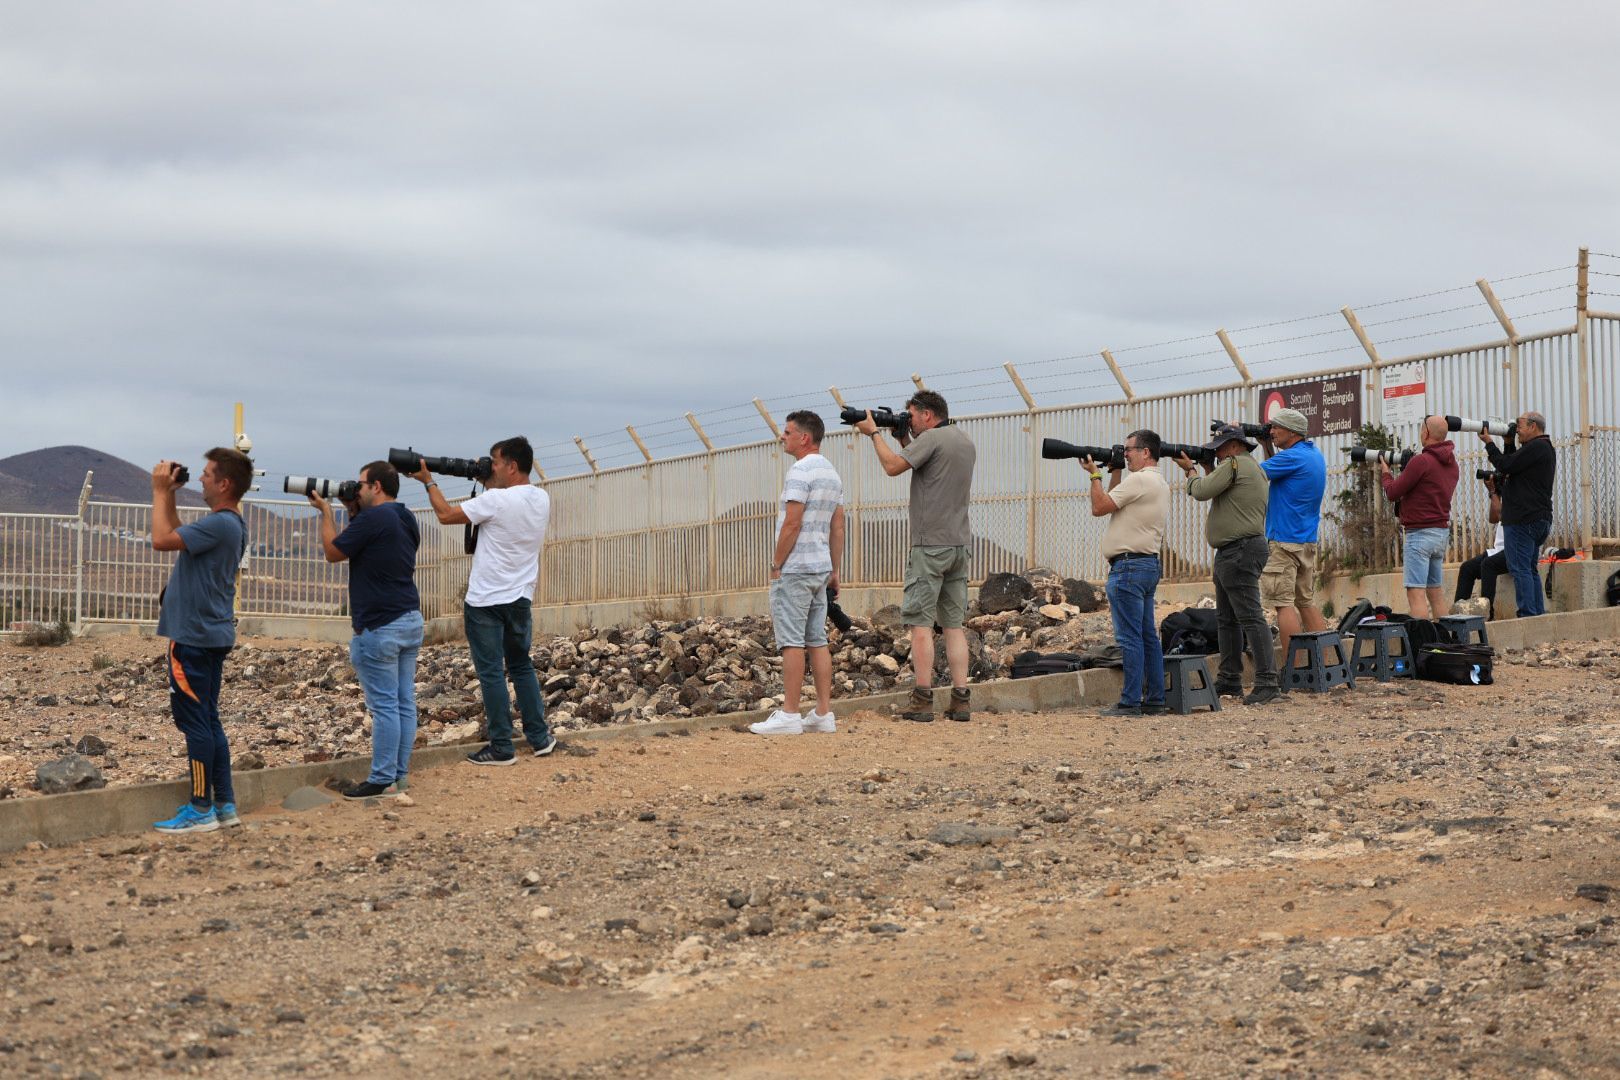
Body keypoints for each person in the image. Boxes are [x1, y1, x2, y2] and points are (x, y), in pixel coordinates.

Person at [415, 436, 554, 764]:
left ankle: (502, 747)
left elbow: (446, 515)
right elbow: (506, 499)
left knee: (491, 672)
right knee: (521, 666)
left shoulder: (496, 502)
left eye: (495, 462)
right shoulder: (541, 498)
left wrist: (428, 481)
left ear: (512, 466)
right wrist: (488, 480)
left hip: (485, 601)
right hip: (520, 598)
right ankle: (539, 737)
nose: (489, 466)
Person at [854, 390, 976, 723]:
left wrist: (875, 434)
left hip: (929, 546)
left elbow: (894, 466)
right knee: (953, 626)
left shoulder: (932, 439)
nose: (908, 420)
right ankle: (961, 700)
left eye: (911, 415)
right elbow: (930, 469)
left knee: (920, 624)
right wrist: (905, 437)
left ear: (926, 414)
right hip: (959, 544)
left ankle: (923, 701)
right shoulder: (963, 441)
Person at [149, 448, 253, 834]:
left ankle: (200, 808)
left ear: (225, 484)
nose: (202, 479)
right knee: (209, 720)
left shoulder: (221, 524)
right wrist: (171, 495)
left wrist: (158, 491)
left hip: (192, 638)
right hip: (209, 635)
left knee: (196, 724)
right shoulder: (227, 524)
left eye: (209, 475)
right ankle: (225, 805)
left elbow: (161, 539)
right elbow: (176, 533)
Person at [310, 461, 424, 798]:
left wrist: (326, 512)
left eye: (360, 485)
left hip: (380, 625)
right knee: (404, 703)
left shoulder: (375, 517)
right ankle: (399, 776)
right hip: (409, 618)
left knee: (385, 706)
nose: (355, 489)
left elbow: (334, 552)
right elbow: (368, 545)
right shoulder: (405, 517)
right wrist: (352, 510)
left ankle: (382, 779)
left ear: (376, 486)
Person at [750, 411, 846, 735]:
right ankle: (822, 713)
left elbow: (792, 522)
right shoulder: (832, 474)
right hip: (820, 568)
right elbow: (838, 524)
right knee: (817, 640)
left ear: (804, 437)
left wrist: (776, 564)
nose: (782, 436)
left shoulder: (799, 471)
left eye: (787, 431)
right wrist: (835, 569)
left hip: (796, 568)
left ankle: (790, 714)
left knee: (791, 640)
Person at [1175, 424, 1279, 706]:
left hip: (1239, 550)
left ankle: (1268, 682)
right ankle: (1230, 679)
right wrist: (1210, 469)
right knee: (1228, 619)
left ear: (1234, 445)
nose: (1217, 453)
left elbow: (1201, 492)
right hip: (1238, 549)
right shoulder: (1251, 467)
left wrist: (1191, 471)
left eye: (1219, 448)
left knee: (1250, 617)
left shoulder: (1233, 464)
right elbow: (1222, 492)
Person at [1087, 429, 1170, 717]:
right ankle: (1155, 698)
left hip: (1128, 568)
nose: (1125, 455)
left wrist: (1093, 475)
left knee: (1130, 638)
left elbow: (1099, 506)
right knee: (1148, 636)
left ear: (1145, 452)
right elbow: (1114, 501)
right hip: (1146, 565)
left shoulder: (1140, 480)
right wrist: (1113, 473)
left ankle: (1130, 701)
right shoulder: (1157, 481)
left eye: (1129, 450)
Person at [1256, 408, 1329, 673]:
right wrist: (1267, 445)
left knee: (1283, 605)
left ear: (1292, 432)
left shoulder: (1291, 458)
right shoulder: (1312, 455)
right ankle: (1327, 663)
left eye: (1276, 428)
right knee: (1305, 602)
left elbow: (1254, 475)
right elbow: (1278, 470)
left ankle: (1291, 669)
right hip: (1305, 540)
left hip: (1283, 542)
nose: (1271, 432)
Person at [1378, 414, 1459, 620]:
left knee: (1416, 594)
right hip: (1440, 534)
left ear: (1426, 432)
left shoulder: (1421, 461)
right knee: (1436, 594)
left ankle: (1421, 644)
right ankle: (1445, 641)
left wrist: (1386, 473)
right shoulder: (1452, 464)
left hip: (1420, 535)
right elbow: (1423, 490)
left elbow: (1392, 493)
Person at [1480, 411, 1556, 617]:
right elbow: (1512, 467)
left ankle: (1527, 615)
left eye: (1519, 425)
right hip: (1537, 518)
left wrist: (1488, 442)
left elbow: (1505, 465)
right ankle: (1536, 614)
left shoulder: (1537, 446)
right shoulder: (1541, 449)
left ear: (1533, 426)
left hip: (1523, 520)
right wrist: (1508, 443)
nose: (1517, 430)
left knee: (1521, 569)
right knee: (1529, 569)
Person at [1454, 473, 1507, 616]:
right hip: (1498, 550)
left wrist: (1493, 492)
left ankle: (1486, 612)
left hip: (1514, 549)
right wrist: (1496, 494)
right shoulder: (1506, 494)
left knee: (1488, 565)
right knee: (1467, 568)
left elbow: (1502, 514)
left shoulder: (1520, 493)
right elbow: (1493, 518)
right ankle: (1459, 614)